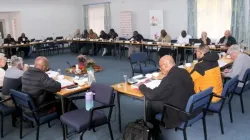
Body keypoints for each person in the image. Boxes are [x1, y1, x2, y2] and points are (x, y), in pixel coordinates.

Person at [139, 55, 194, 130]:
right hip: (188, 105)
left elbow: (153, 95)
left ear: (164, 66)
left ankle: (151, 127)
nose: (160, 69)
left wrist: (142, 86)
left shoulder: (169, 78)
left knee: (150, 102)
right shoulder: (184, 71)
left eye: (160, 67)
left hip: (178, 111)